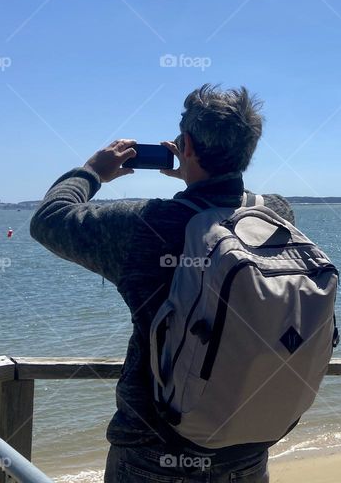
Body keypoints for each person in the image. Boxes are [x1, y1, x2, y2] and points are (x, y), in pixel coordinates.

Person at [30, 85, 292, 482]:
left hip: (153, 454)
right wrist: (199, 171)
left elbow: (50, 219)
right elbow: (236, 200)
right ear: (249, 151)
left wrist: (92, 171)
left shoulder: (146, 226)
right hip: (246, 448)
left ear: (184, 144)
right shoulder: (275, 214)